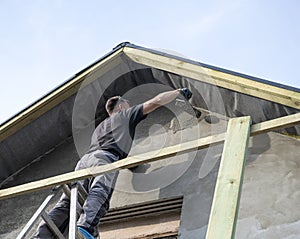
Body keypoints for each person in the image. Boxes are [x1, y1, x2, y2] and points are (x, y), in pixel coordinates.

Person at [32, 88, 192, 239]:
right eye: (128, 105)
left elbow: (114, 146)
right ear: (122, 106)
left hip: (83, 163)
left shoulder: (101, 127)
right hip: (104, 159)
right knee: (99, 191)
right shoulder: (125, 115)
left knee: (68, 201)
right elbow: (155, 101)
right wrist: (178, 92)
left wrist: (132, 164)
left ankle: (42, 235)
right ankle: (85, 227)